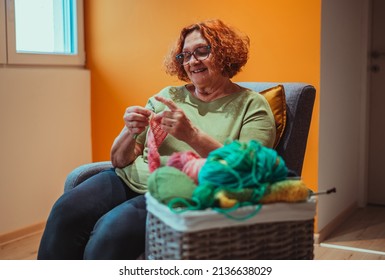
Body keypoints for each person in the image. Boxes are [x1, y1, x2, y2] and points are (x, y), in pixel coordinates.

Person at [37, 19, 276, 260]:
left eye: (202, 51)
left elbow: (248, 172)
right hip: (127, 179)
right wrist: (129, 131)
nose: (193, 61)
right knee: (65, 211)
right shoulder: (168, 95)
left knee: (109, 234)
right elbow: (119, 160)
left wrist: (193, 136)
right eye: (186, 55)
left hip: (177, 194)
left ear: (225, 53)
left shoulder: (251, 105)